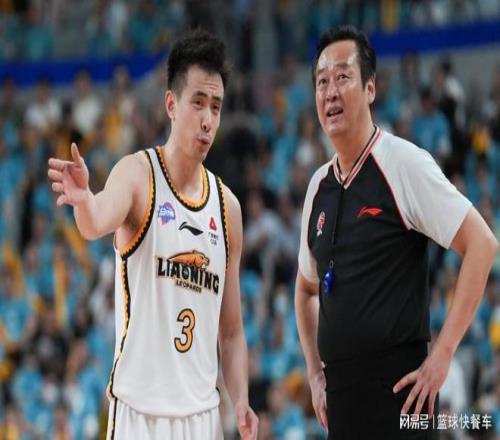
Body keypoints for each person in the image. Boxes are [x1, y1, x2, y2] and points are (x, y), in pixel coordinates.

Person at [48, 29, 258, 440]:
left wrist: (241, 399)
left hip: (202, 418)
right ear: (171, 104)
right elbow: (95, 222)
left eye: (216, 107)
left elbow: (231, 332)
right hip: (139, 416)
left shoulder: (227, 208)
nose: (208, 119)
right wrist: (85, 200)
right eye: (198, 102)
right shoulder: (138, 174)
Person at [294, 25, 498, 440]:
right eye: (322, 82)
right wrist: (314, 373)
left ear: (370, 88)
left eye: (343, 77)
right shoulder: (318, 187)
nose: (330, 92)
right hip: (342, 405)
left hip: (403, 401)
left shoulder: (403, 163)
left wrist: (443, 354)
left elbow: (482, 244)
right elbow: (305, 289)